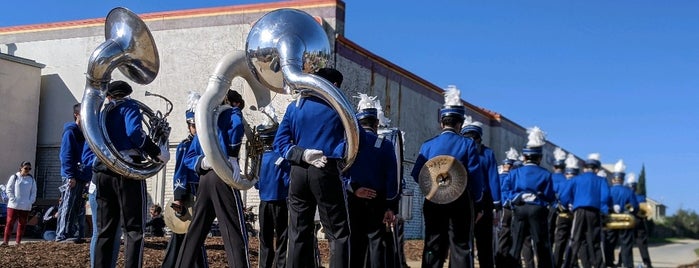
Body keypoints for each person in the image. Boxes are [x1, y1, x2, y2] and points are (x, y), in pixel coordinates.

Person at [273, 67, 351, 268]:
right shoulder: (339, 105)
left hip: (298, 170)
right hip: (326, 167)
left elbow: (279, 143)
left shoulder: (295, 106)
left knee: (298, 232)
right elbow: (353, 139)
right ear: (334, 85)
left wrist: (302, 154)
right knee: (338, 233)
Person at [92, 80, 170, 268]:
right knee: (134, 230)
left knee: (105, 231)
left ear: (109, 96)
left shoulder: (102, 113)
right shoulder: (129, 106)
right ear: (127, 94)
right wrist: (157, 152)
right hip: (127, 171)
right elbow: (134, 133)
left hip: (103, 171)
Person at [410, 85, 484, 268]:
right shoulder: (468, 145)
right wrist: (477, 201)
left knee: (433, 243)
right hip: (460, 201)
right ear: (460, 124)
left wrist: (430, 186)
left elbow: (415, 174)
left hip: (434, 198)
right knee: (460, 246)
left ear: (442, 123)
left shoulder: (428, 146)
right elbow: (475, 176)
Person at [176, 89, 250, 268]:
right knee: (235, 232)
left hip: (205, 179)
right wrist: (232, 155)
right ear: (236, 103)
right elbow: (237, 126)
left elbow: (190, 156)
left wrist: (204, 162)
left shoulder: (205, 120)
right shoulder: (232, 112)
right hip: (223, 176)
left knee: (195, 232)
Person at [343, 94, 398, 268]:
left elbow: (339, 170)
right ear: (376, 123)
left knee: (355, 242)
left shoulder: (349, 143)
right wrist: (390, 206)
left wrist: (353, 188)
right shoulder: (386, 145)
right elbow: (392, 178)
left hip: (353, 198)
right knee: (376, 244)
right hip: (378, 200)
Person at [162, 100, 207, 268]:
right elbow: (180, 172)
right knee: (189, 232)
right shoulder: (185, 145)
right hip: (190, 193)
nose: (196, 129)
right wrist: (179, 198)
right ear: (189, 126)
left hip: (202, 190)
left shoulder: (206, 144)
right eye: (194, 126)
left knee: (193, 233)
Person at [506, 127, 556, 267]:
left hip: (520, 208)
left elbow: (507, 191)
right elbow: (549, 196)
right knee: (542, 245)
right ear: (539, 158)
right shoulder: (545, 174)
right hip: (537, 209)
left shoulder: (515, 173)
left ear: (524, 157)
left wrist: (517, 198)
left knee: (516, 244)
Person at [254, 106, 291, 268]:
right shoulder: (282, 156)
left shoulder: (259, 157)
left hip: (264, 203)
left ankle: (264, 265)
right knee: (283, 238)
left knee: (265, 239)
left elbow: (255, 183)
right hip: (281, 202)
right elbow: (288, 180)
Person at [461, 117, 499, 268]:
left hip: (462, 199)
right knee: (484, 244)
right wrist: (497, 204)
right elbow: (493, 180)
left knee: (462, 242)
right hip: (484, 200)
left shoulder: (460, 149)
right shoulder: (487, 153)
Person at [560, 153, 609, 268]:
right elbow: (605, 197)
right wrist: (603, 210)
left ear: (584, 168)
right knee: (595, 241)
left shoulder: (576, 179)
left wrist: (568, 205)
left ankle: (568, 264)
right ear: (596, 169)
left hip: (579, 211)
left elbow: (564, 195)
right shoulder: (601, 180)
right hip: (594, 212)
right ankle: (599, 265)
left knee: (575, 239)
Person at [56, 103, 90, 243]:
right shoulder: (70, 132)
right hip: (72, 177)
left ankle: (71, 232)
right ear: (77, 115)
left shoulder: (85, 134)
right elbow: (66, 155)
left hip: (81, 176)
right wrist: (70, 175)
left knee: (77, 206)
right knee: (67, 204)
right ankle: (62, 234)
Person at [603, 160, 639, 268]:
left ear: (613, 179)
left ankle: (609, 263)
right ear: (622, 180)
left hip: (611, 219)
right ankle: (628, 265)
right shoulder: (629, 191)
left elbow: (604, 203)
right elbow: (635, 207)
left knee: (609, 242)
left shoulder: (608, 190)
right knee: (626, 244)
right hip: (625, 220)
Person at [552, 153, 579, 267]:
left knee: (560, 241)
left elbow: (560, 197)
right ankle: (572, 263)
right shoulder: (578, 183)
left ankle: (557, 263)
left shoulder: (563, 182)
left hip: (563, 214)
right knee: (573, 240)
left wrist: (562, 206)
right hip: (576, 214)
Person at [2, 161, 37, 246]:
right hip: (14, 205)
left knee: (22, 224)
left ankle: (18, 242)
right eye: (25, 168)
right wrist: (13, 199)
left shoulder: (31, 179)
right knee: (10, 223)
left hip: (25, 206)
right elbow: (8, 189)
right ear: (21, 168)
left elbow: (34, 192)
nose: (27, 170)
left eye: (29, 169)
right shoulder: (14, 177)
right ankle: (5, 241)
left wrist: (30, 201)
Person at [494, 147, 519, 267]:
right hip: (506, 207)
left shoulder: (499, 176)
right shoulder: (510, 177)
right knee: (506, 232)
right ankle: (502, 257)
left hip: (502, 207)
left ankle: (503, 256)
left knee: (504, 233)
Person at [627, 173, 653, 268]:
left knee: (626, 243)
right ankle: (647, 263)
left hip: (628, 221)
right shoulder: (641, 197)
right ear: (635, 186)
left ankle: (624, 262)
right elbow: (645, 212)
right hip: (639, 222)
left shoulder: (627, 196)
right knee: (642, 245)